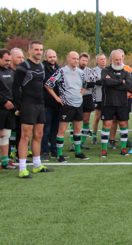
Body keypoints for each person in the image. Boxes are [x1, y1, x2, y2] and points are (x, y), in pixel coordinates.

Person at [12, 40, 55, 177]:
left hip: (39, 104)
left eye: (41, 50)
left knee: (38, 135)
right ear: (29, 50)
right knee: (25, 136)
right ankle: (22, 168)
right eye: (36, 49)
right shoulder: (23, 66)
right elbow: (15, 87)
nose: (38, 52)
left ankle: (37, 165)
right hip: (27, 104)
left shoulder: (42, 67)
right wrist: (19, 106)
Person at [45, 51, 88, 162]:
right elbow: (48, 84)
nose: (76, 61)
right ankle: (59, 154)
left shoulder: (80, 72)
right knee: (62, 130)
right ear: (68, 58)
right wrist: (57, 98)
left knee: (77, 129)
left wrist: (80, 95)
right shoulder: (61, 71)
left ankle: (78, 152)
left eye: (77, 58)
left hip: (78, 104)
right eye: (73, 58)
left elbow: (85, 85)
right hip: (66, 105)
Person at [99, 49, 132, 158]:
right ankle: (104, 150)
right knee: (106, 125)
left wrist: (112, 82)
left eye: (120, 59)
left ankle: (123, 148)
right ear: (110, 60)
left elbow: (127, 86)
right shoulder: (105, 71)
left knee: (123, 125)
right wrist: (119, 82)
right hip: (107, 103)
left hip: (122, 103)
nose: (118, 61)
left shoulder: (126, 73)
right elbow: (105, 81)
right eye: (116, 59)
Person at [40, 49, 60, 160]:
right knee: (46, 129)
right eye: (50, 57)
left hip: (57, 104)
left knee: (55, 129)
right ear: (45, 57)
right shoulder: (42, 68)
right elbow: (45, 85)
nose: (52, 59)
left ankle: (54, 150)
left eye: (54, 56)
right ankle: (44, 151)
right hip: (46, 104)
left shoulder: (58, 68)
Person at [77, 53, 97, 151]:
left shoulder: (89, 71)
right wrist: (86, 82)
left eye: (86, 61)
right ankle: (74, 142)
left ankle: (83, 142)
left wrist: (84, 84)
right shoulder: (74, 70)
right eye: (83, 60)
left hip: (87, 97)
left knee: (86, 120)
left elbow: (93, 83)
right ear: (78, 60)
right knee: (75, 121)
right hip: (75, 97)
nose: (84, 62)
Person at [90, 53, 107, 145]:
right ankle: (94, 136)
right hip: (98, 97)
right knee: (97, 117)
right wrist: (105, 80)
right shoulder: (93, 71)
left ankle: (105, 136)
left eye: (104, 59)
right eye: (101, 59)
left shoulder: (108, 70)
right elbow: (96, 82)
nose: (103, 61)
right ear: (97, 61)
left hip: (107, 98)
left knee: (107, 118)